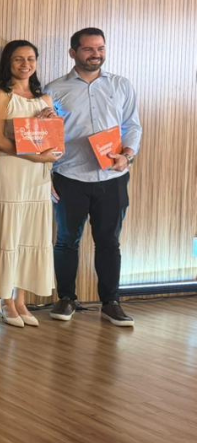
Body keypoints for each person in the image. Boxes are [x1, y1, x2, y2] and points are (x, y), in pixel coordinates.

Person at [46, 28, 141, 327]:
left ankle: (111, 302)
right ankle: (66, 298)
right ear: (73, 52)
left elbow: (132, 125)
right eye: (88, 49)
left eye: (100, 48)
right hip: (69, 176)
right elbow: (47, 136)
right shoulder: (54, 89)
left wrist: (127, 154)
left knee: (109, 241)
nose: (95, 54)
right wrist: (46, 173)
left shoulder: (121, 85)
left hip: (112, 177)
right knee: (66, 241)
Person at [0, 40, 60, 327]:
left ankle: (21, 298)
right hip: (11, 171)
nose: (25, 64)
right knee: (9, 234)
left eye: (30, 59)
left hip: (38, 177)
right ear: (8, 62)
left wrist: (47, 125)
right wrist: (35, 157)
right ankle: (4, 299)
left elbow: (51, 143)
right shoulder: (1, 96)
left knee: (31, 234)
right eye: (19, 59)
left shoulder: (46, 100)